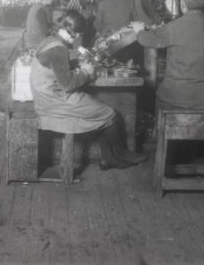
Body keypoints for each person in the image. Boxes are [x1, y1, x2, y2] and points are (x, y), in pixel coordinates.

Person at [30, 10, 148, 170]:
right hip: (55, 101)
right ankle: (122, 153)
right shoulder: (59, 50)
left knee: (98, 112)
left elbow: (55, 68)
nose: (78, 38)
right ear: (74, 33)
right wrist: (86, 72)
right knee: (109, 113)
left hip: (46, 97)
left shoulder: (51, 40)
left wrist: (77, 60)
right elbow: (68, 85)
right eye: (78, 34)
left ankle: (108, 159)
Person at [132, 0, 204, 109]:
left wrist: (139, 31)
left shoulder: (173, 27)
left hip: (179, 96)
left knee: (151, 100)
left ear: (182, 4)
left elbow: (146, 40)